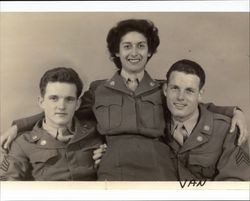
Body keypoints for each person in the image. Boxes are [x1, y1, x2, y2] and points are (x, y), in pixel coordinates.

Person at [0, 19, 248, 180]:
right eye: (127, 46)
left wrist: (235, 111)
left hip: (160, 169)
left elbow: (197, 106)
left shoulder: (163, 88)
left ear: (150, 51)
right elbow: (64, 109)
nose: (134, 52)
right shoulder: (99, 90)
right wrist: (19, 125)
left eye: (141, 46)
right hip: (113, 169)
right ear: (116, 52)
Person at [0, 67, 103, 180]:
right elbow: (6, 186)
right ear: (41, 102)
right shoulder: (23, 143)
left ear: (78, 104)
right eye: (54, 98)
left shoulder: (96, 132)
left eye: (69, 99)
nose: (61, 106)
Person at [162, 59, 249, 180]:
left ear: (200, 94)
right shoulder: (152, 121)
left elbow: (235, 185)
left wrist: (236, 111)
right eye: (175, 88)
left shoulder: (227, 131)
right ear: (165, 89)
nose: (180, 97)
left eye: (189, 91)